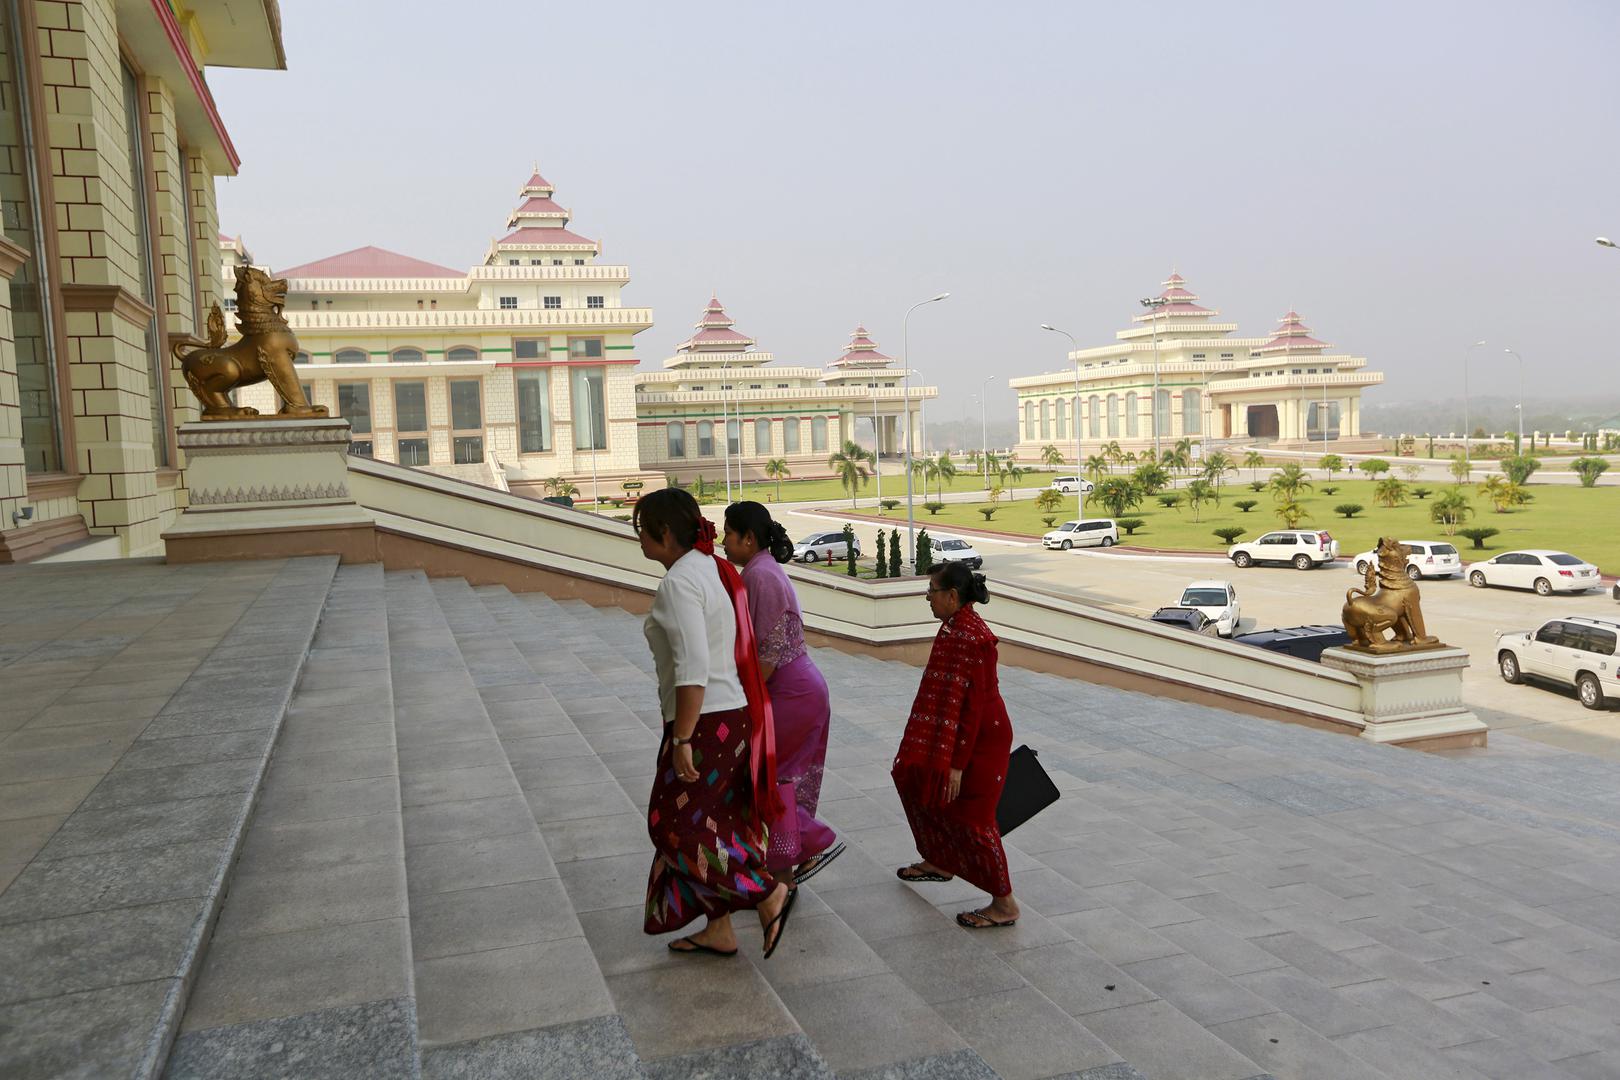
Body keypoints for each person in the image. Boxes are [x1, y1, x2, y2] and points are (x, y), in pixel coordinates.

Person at [633, 488, 796, 957]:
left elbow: (693, 667)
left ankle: (767, 892)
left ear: (665, 533)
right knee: (717, 819)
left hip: (705, 722)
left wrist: (682, 737)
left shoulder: (681, 582)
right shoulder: (708, 568)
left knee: (673, 825)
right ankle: (718, 928)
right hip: (729, 718)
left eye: (643, 532)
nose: (639, 541)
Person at [891, 562, 1019, 929]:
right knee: (916, 783)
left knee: (975, 821)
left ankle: (1004, 903)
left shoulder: (973, 638)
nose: (927, 597)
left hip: (982, 739)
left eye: (931, 590)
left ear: (952, 596)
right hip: (968, 736)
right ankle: (939, 859)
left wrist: (957, 764)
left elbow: (973, 707)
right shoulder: (953, 627)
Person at [722, 502, 845, 884]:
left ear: (749, 538)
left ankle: (797, 858)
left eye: (728, 533)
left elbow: (770, 653)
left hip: (791, 690)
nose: (723, 540)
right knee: (776, 778)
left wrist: (743, 701)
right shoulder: (761, 570)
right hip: (797, 687)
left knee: (773, 778)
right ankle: (787, 867)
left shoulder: (760, 576)